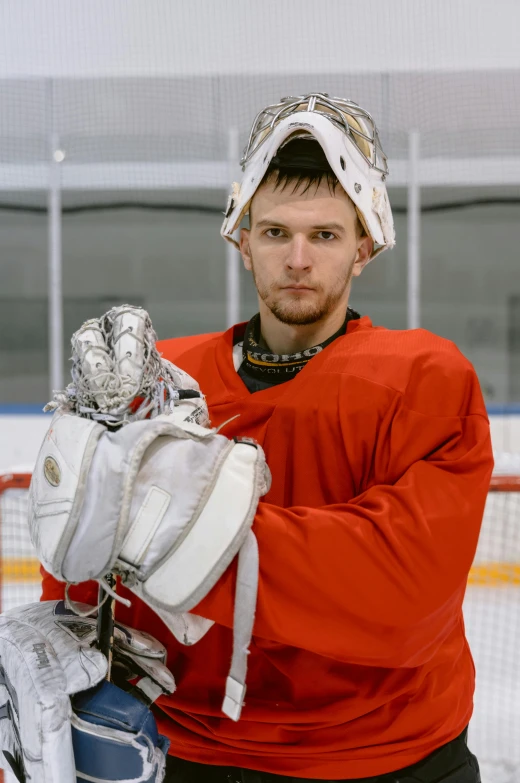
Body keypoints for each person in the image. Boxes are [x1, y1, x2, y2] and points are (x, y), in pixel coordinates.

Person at [40, 94, 492, 782]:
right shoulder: (163, 380)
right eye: (276, 233)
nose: (299, 258)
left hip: (388, 760)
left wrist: (163, 527)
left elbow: (402, 591)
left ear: (365, 247)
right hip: (188, 753)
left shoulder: (425, 379)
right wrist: (54, 642)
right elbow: (82, 553)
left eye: (326, 236)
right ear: (241, 239)